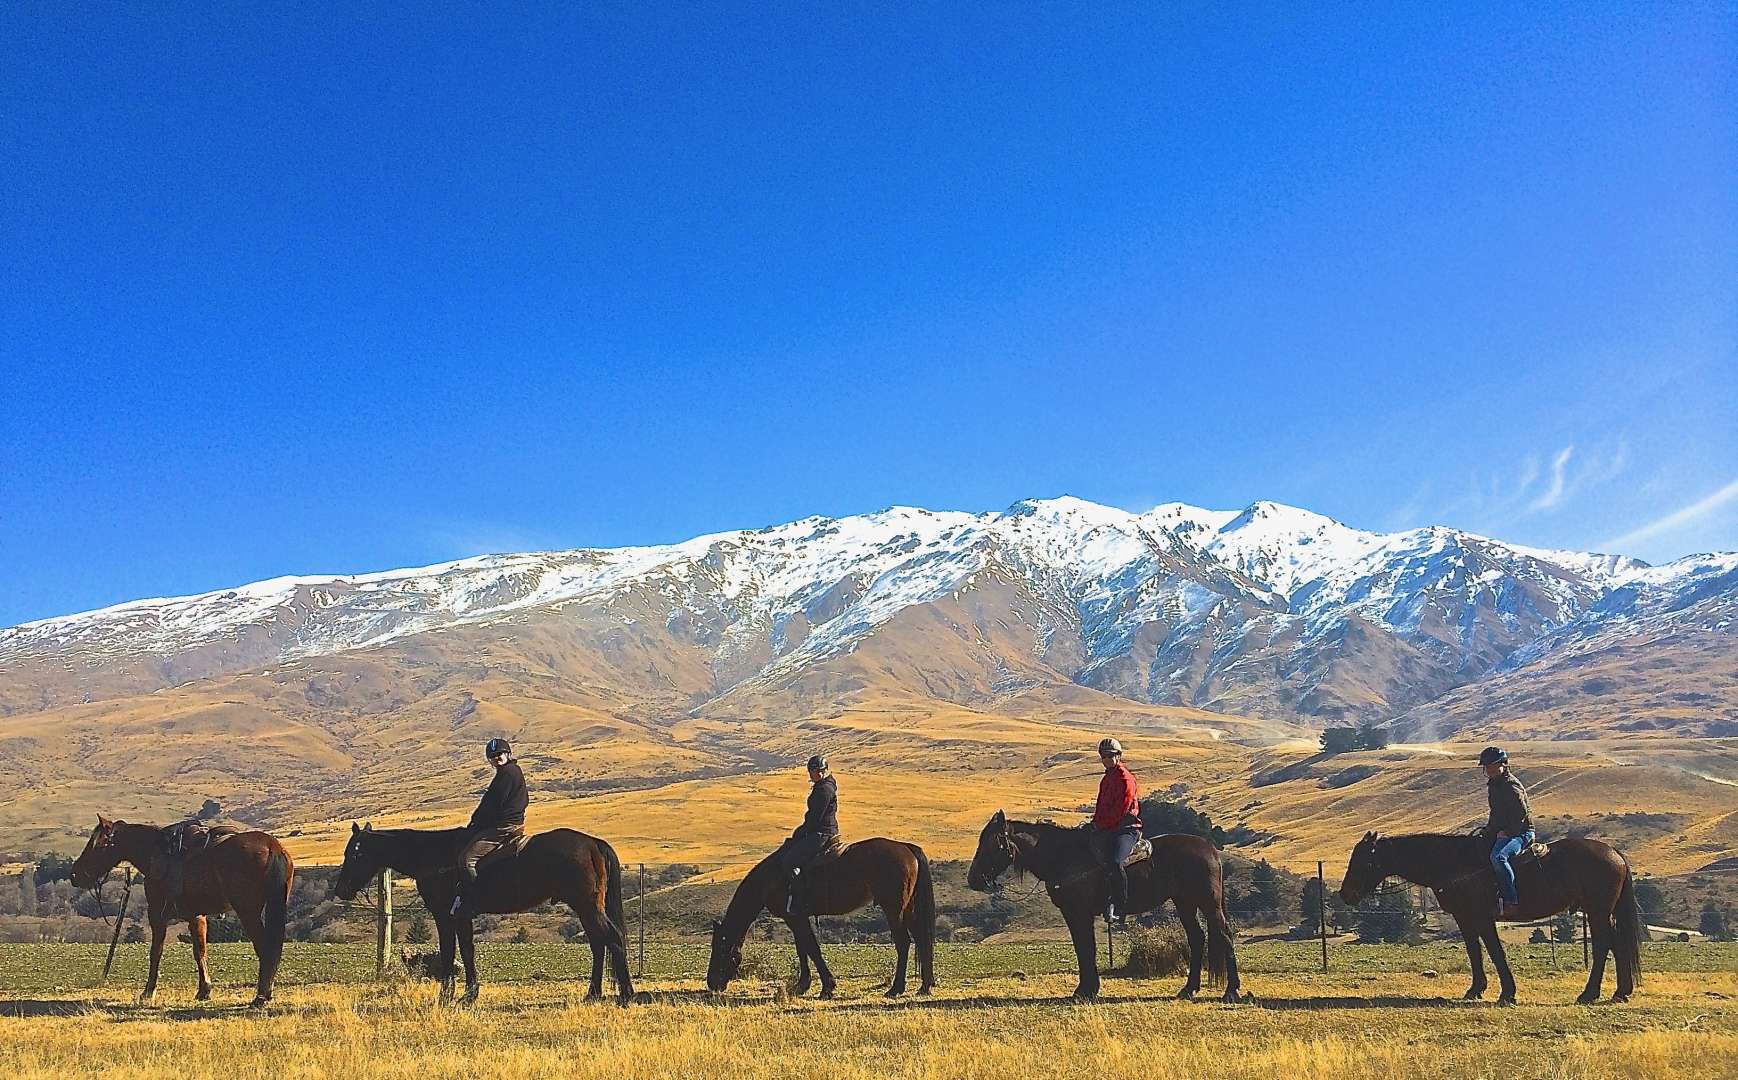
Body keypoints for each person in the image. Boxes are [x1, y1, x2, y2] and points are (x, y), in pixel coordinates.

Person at [450, 737, 528, 917]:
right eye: (492, 756)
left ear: (508, 754)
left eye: (499, 754)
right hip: (510, 823)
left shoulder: (507, 773)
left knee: (466, 859)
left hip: (503, 827)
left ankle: (475, 900)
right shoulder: (510, 771)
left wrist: (476, 822)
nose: (496, 758)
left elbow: (492, 805)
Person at [781, 754, 839, 915]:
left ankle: (800, 900)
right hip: (823, 830)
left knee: (790, 861)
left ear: (825, 770)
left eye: (820, 771)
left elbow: (815, 818)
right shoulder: (824, 785)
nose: (817, 774)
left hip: (821, 833)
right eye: (814, 771)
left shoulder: (824, 790)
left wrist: (801, 832)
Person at [1480, 746, 1534, 918]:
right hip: (1503, 832)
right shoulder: (1495, 785)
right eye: (1487, 767)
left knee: (1498, 857)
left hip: (1521, 834)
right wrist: (1489, 830)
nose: (1489, 770)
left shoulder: (1511, 786)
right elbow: (1496, 814)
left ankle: (1511, 902)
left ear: (1503, 764)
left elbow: (1521, 814)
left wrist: (1509, 832)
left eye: (1492, 766)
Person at [1092, 737, 1142, 923]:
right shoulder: (1106, 779)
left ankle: (1120, 905)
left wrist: (1101, 825)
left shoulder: (1125, 779)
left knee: (1114, 861)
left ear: (1118, 756)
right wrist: (1095, 823)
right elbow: (1101, 807)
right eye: (1103, 756)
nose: (1106, 759)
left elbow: (1120, 810)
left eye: (1110, 755)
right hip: (1107, 828)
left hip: (1126, 829)